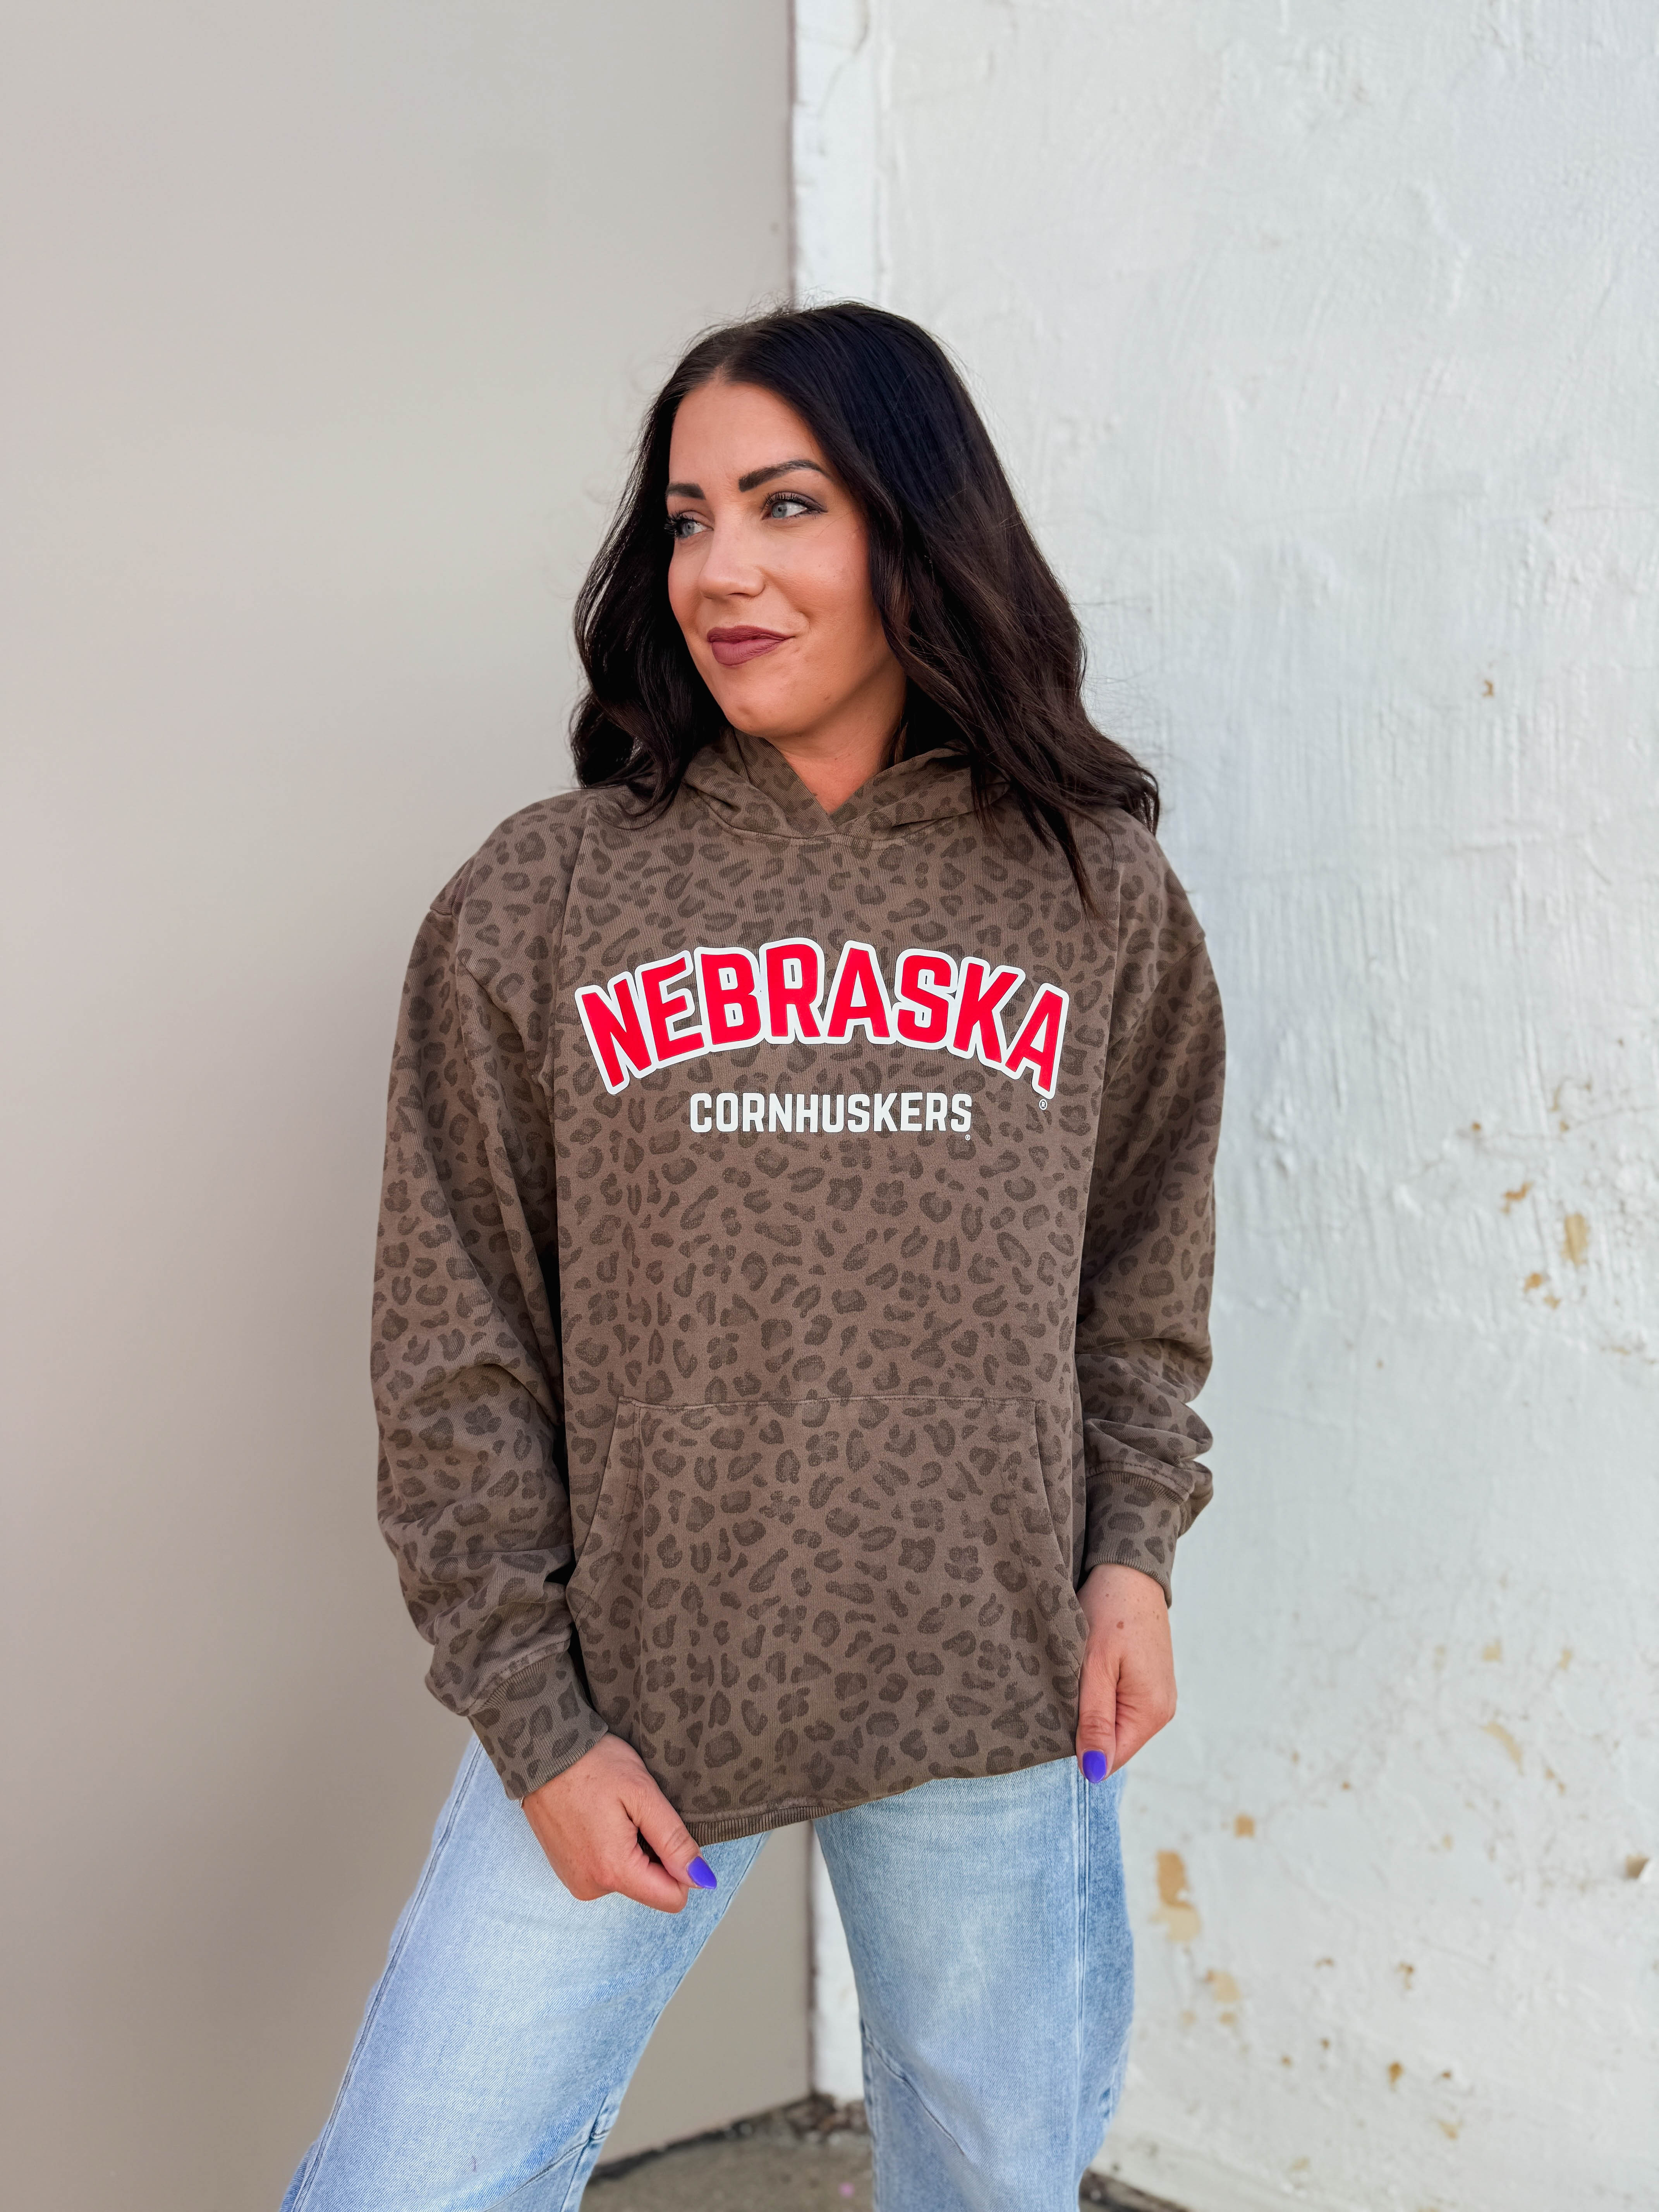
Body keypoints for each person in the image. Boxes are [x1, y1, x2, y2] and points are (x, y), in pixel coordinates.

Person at [282, 303, 1224, 2212]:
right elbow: (454, 1340)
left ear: (916, 527)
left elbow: (1139, 1276)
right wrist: (533, 1714)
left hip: (989, 1675)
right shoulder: (547, 895)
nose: (721, 569)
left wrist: (1132, 1552)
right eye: (688, 518)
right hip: (635, 1684)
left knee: (997, 2180)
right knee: (408, 2185)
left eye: (787, 505)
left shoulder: (1089, 892)